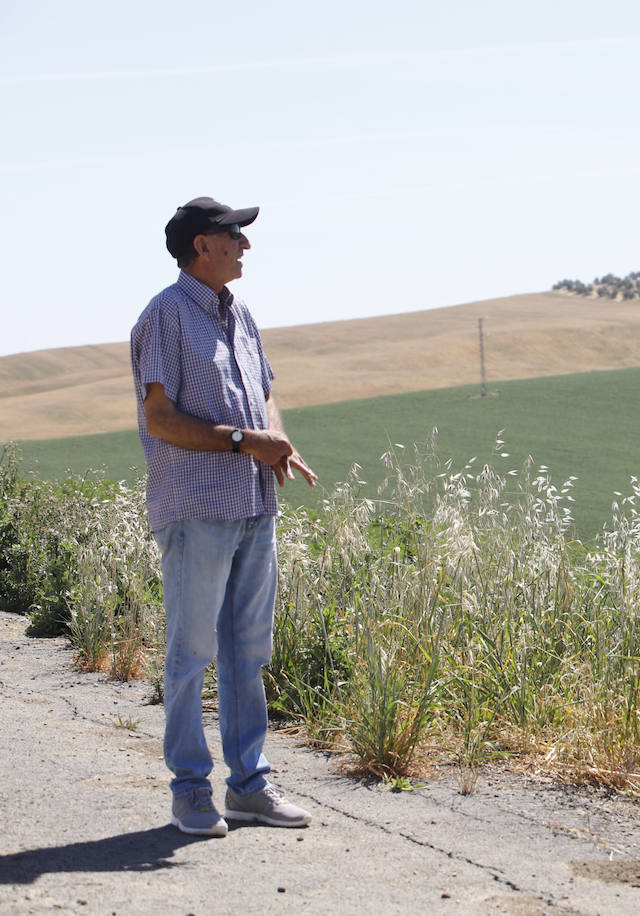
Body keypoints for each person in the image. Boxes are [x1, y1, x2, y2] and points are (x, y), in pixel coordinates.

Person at [130, 197, 318, 837]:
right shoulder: (164, 316)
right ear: (202, 245)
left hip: (254, 505)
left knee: (248, 650)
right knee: (191, 652)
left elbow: (265, 393)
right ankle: (189, 790)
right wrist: (244, 441)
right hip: (197, 509)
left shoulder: (240, 315)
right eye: (234, 233)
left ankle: (249, 788)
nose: (245, 244)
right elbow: (160, 419)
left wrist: (278, 442)